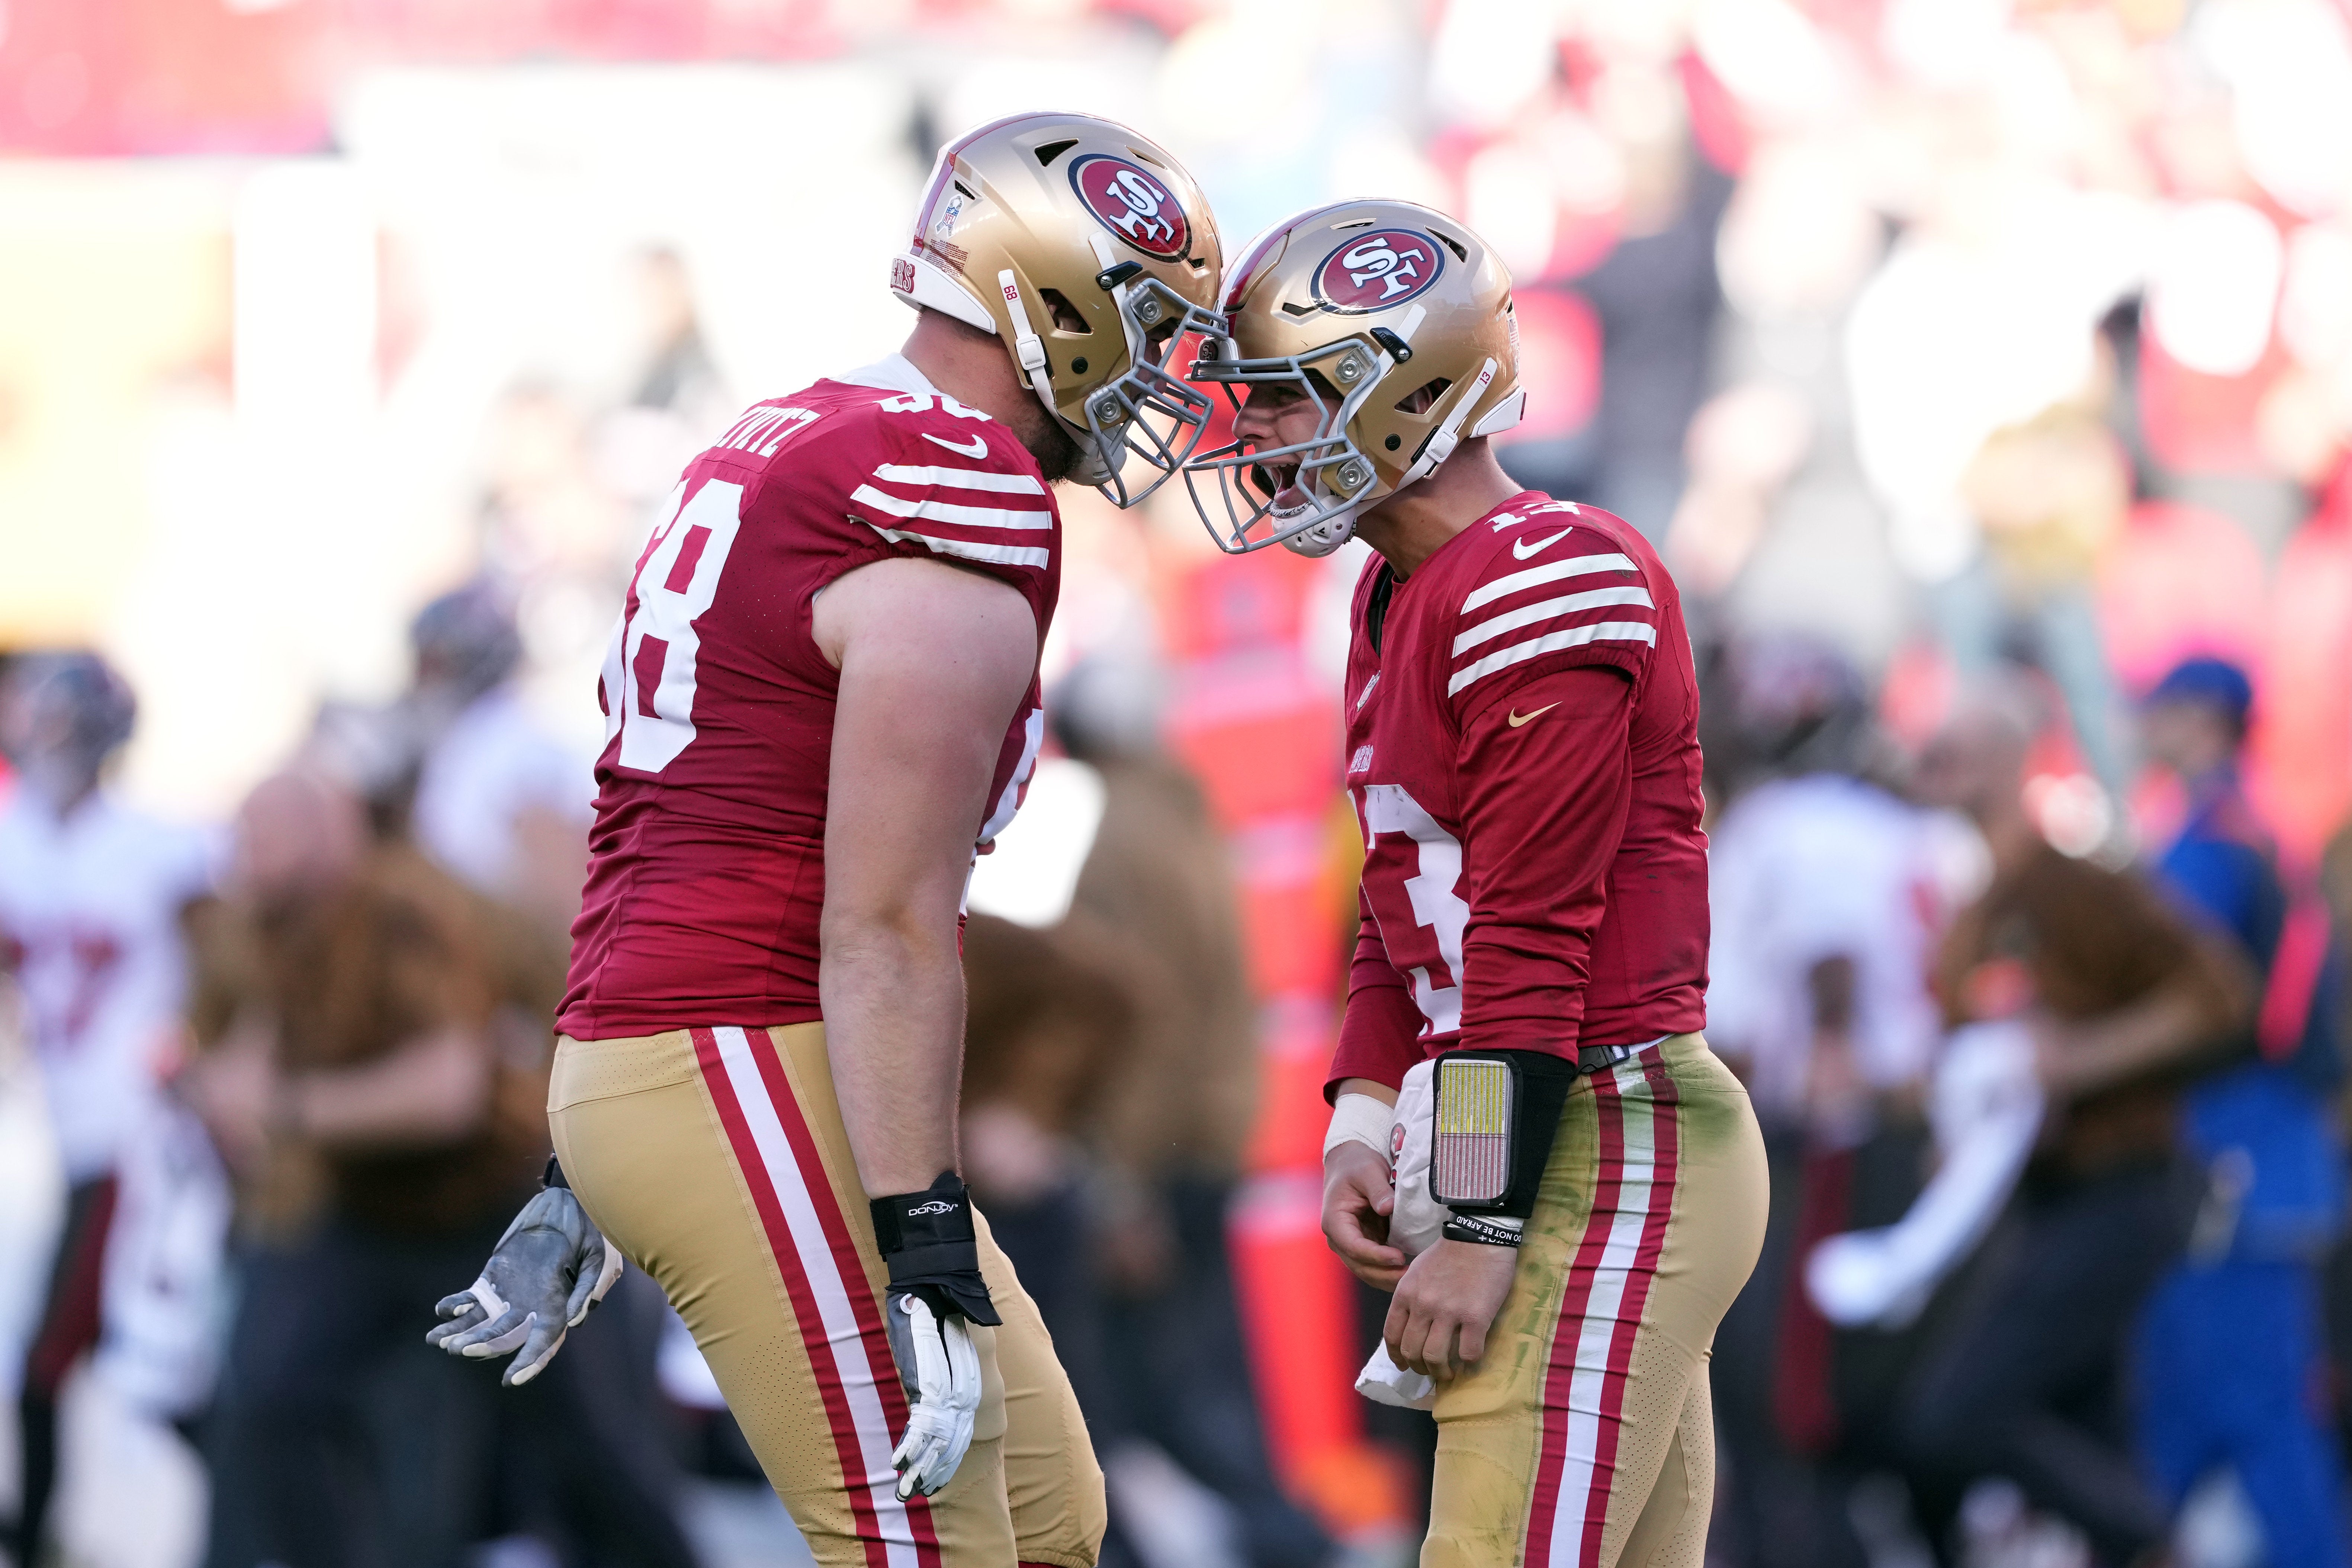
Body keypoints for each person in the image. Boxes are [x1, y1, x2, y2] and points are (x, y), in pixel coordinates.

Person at [428, 111, 1225, 1568]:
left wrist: (584, 1154)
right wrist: (922, 1236)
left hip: (700, 1048)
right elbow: (886, 921)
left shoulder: (785, 432)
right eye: (1147, 326)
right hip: (748, 1047)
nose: (1158, 375)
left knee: (1047, 1516)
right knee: (932, 1548)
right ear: (1052, 307)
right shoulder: (948, 490)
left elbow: (659, 810)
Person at [1181, 199, 1767, 1568]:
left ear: (1401, 391)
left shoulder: (1546, 573)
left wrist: (1483, 1210)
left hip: (1612, 1135)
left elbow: (1530, 923)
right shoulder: (1394, 593)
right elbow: (1401, 915)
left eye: (1279, 399)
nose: (1251, 436)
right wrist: (1360, 1121)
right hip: (1540, 1120)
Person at [185, 768, 698, 1568]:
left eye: (264, 832)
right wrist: (223, 1087)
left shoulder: (402, 911)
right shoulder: (252, 925)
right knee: (270, 1392)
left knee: (590, 1440)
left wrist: (288, 1107)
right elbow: (230, 1054)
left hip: (490, 1203)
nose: (243, 851)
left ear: (332, 826)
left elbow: (446, 1090)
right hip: (363, 1209)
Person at [1896, 683, 2249, 1568]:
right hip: (2042, 1201)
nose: (1937, 761)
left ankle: (2151, 1542)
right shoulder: (1976, 912)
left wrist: (2085, 1058)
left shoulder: (2073, 881)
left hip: (2121, 1188)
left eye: (1962, 743)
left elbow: (2220, 992)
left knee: (1952, 1415)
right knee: (2088, 1432)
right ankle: (2144, 1546)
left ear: (2018, 756)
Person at [2130, 656, 2349, 1568]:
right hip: (2261, 1160)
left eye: (2161, 706)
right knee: (2185, 1413)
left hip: (2237, 1166)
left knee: (2255, 1418)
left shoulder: (2215, 838)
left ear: (2206, 718)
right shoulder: (2248, 825)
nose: (2143, 721)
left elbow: (2186, 996)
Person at [0, 652, 215, 1567]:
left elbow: (230, 965)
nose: (51, 742)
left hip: (150, 1136)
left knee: (90, 1355)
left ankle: (45, 1530)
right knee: (120, 1357)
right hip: (75, 1133)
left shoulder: (165, 846)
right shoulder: (16, 837)